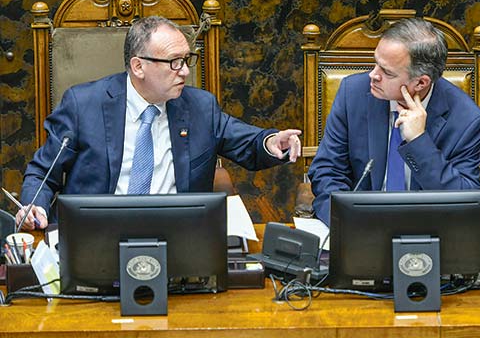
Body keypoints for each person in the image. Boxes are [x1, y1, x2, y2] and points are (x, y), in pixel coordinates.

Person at [17, 16, 301, 230]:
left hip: (176, 235)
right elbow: (43, 172)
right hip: (94, 233)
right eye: (174, 62)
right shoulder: (83, 104)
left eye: (187, 60)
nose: (185, 71)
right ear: (138, 66)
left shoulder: (200, 107)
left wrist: (272, 141)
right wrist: (34, 206)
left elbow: (249, 143)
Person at [308, 18, 480, 225]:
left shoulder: (466, 120)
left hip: (427, 234)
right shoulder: (353, 94)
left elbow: (465, 202)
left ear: (421, 82)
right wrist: (348, 225)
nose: (373, 75)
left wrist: (419, 143)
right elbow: (327, 172)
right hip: (360, 226)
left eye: (387, 72)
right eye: (376, 63)